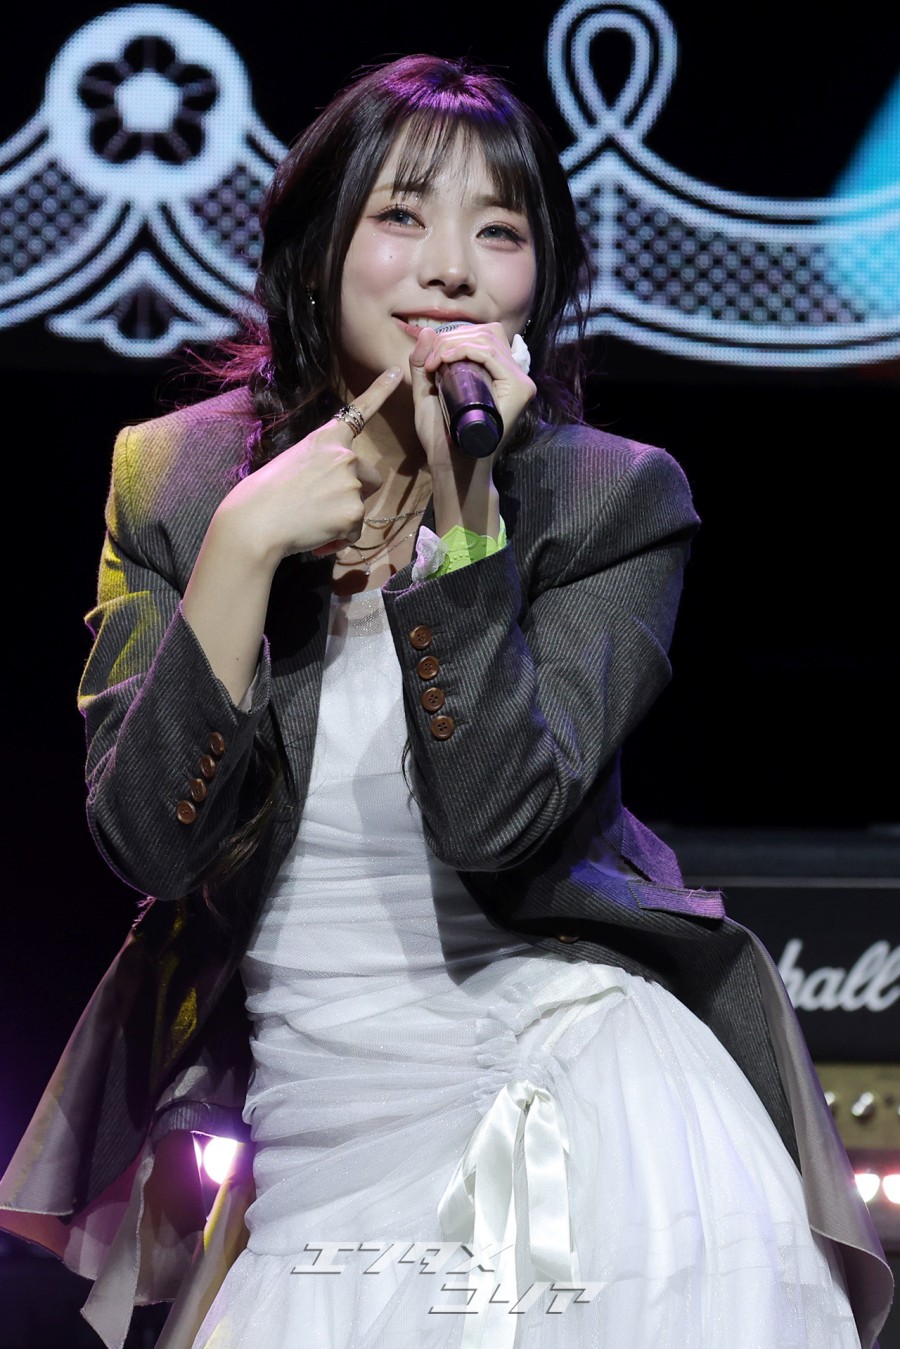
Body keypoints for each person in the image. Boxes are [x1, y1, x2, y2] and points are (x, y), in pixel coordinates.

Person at [0, 53, 892, 1349]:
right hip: (318, 1150)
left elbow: (494, 820)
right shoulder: (177, 481)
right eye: (403, 215)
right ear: (318, 248)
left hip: (572, 1112)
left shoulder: (610, 499)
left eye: (501, 231)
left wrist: (467, 524)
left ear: (541, 282)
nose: (453, 267)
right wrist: (245, 543)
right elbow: (149, 842)